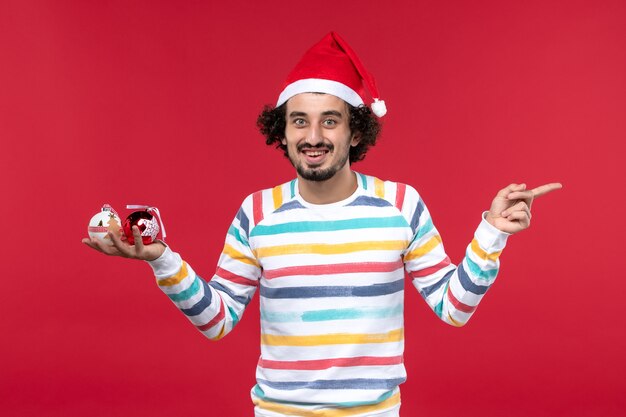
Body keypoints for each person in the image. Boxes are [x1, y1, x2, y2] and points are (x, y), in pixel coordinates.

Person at [83, 32, 561, 417]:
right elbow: (217, 320)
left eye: (329, 121)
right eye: (299, 122)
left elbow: (453, 308)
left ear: (355, 131)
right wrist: (161, 259)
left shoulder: (400, 204)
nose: (313, 137)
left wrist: (492, 233)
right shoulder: (257, 213)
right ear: (282, 131)